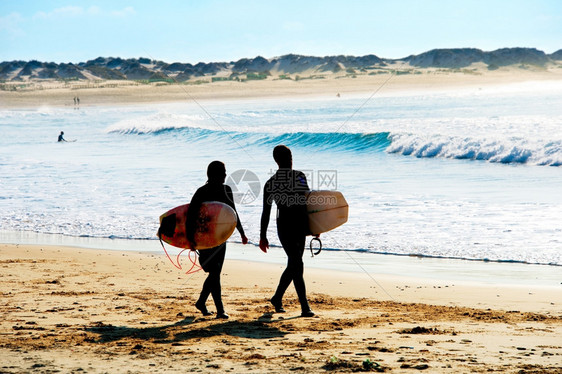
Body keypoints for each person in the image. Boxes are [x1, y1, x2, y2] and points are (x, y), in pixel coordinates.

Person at [186, 161, 248, 319]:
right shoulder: (201, 192)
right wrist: (191, 239)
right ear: (215, 175)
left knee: (215, 272)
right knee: (214, 272)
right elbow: (191, 216)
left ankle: (210, 305)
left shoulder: (225, 190)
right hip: (205, 238)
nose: (226, 175)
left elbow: (233, 213)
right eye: (223, 172)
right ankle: (212, 306)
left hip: (220, 237)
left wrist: (241, 232)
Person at [259, 145, 315, 317]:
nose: (290, 160)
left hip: (300, 225)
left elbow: (308, 203)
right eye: (286, 157)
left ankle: (277, 298)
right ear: (278, 161)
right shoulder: (271, 183)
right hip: (284, 226)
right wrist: (262, 236)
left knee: (294, 264)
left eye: (290, 156)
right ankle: (305, 307)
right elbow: (266, 212)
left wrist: (315, 227)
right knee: (297, 263)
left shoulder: (300, 176)